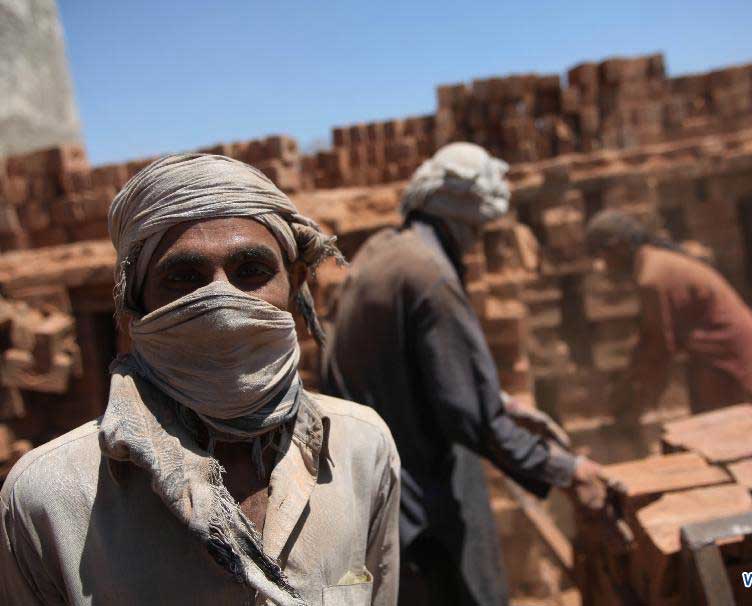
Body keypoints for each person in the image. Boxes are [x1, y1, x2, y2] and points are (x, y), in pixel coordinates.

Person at [0, 154, 400, 606]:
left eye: (250, 270)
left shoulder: (362, 449)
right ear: (135, 309)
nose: (221, 299)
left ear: (295, 283)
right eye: (184, 277)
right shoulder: (46, 499)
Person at [321, 142, 606, 606]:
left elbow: (412, 375)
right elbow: (472, 420)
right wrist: (570, 471)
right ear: (464, 219)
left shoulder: (382, 252)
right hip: (412, 510)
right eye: (479, 230)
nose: (479, 244)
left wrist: (504, 404)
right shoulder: (432, 279)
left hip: (369, 498)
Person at [585, 209, 752, 425]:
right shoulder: (655, 265)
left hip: (739, 361)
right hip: (719, 364)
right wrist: (629, 385)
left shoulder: (651, 277)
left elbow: (659, 347)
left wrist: (633, 404)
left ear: (619, 247)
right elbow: (649, 341)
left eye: (601, 256)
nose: (603, 267)